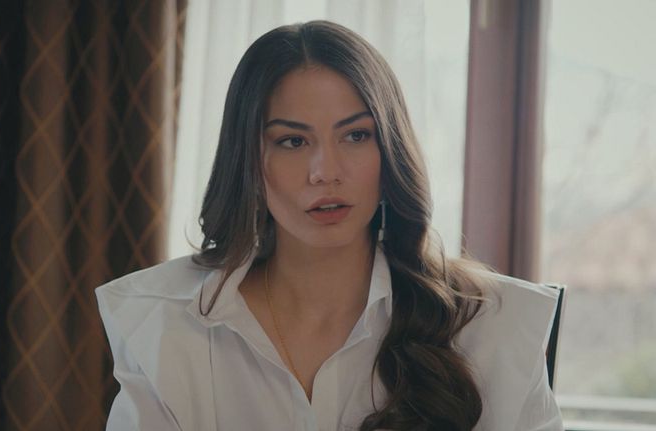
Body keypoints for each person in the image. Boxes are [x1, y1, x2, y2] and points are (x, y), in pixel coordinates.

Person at [96, 21, 563, 430]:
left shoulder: (493, 324)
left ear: (390, 150)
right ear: (249, 160)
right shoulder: (165, 322)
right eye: (293, 141)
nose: (326, 172)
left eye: (356, 135)